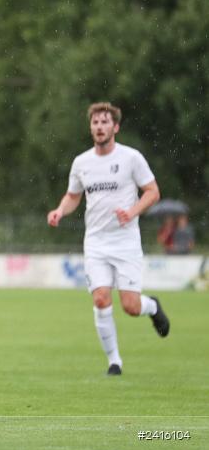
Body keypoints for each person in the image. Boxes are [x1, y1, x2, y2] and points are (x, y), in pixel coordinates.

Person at [47, 102, 170, 376]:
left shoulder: (131, 158)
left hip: (125, 242)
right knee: (101, 299)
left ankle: (152, 306)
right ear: (91, 127)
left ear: (115, 127)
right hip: (96, 243)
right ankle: (115, 362)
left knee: (130, 306)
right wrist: (59, 211)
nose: (99, 127)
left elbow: (152, 191)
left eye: (105, 122)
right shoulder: (82, 162)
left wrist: (132, 212)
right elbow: (73, 196)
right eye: (95, 123)